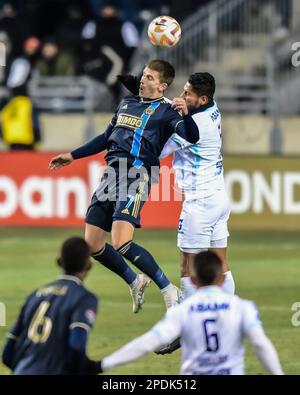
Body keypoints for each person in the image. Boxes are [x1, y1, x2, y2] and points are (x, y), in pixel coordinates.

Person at [48, 59, 199, 314]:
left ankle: (168, 289)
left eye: (150, 77)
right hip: (111, 173)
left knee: (121, 242)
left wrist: (188, 114)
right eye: (143, 75)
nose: (142, 79)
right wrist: (73, 155)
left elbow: (191, 136)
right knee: (93, 243)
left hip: (138, 173)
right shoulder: (127, 103)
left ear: (162, 86)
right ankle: (135, 280)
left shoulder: (167, 112)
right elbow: (106, 138)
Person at [97, 251, 284, 375]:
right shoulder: (243, 308)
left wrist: (103, 364)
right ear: (221, 278)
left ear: (193, 281)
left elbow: (147, 343)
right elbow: (260, 344)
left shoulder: (182, 312)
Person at [160, 72, 234, 300]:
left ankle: (191, 324)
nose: (181, 96)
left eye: (187, 94)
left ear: (201, 99)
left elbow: (161, 151)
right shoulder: (212, 108)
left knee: (189, 267)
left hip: (200, 202)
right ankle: (228, 315)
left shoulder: (196, 126)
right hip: (219, 197)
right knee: (220, 264)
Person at [1, 237, 102, 375]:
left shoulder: (34, 296)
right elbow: (77, 345)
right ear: (88, 265)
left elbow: (7, 354)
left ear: (59, 262)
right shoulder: (84, 298)